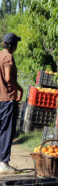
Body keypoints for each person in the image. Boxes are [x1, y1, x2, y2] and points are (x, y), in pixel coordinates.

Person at [0, 33, 23, 174]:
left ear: (3, 43)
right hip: (7, 99)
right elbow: (8, 78)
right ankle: (3, 163)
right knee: (7, 131)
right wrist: (20, 89)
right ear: (13, 46)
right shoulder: (8, 57)